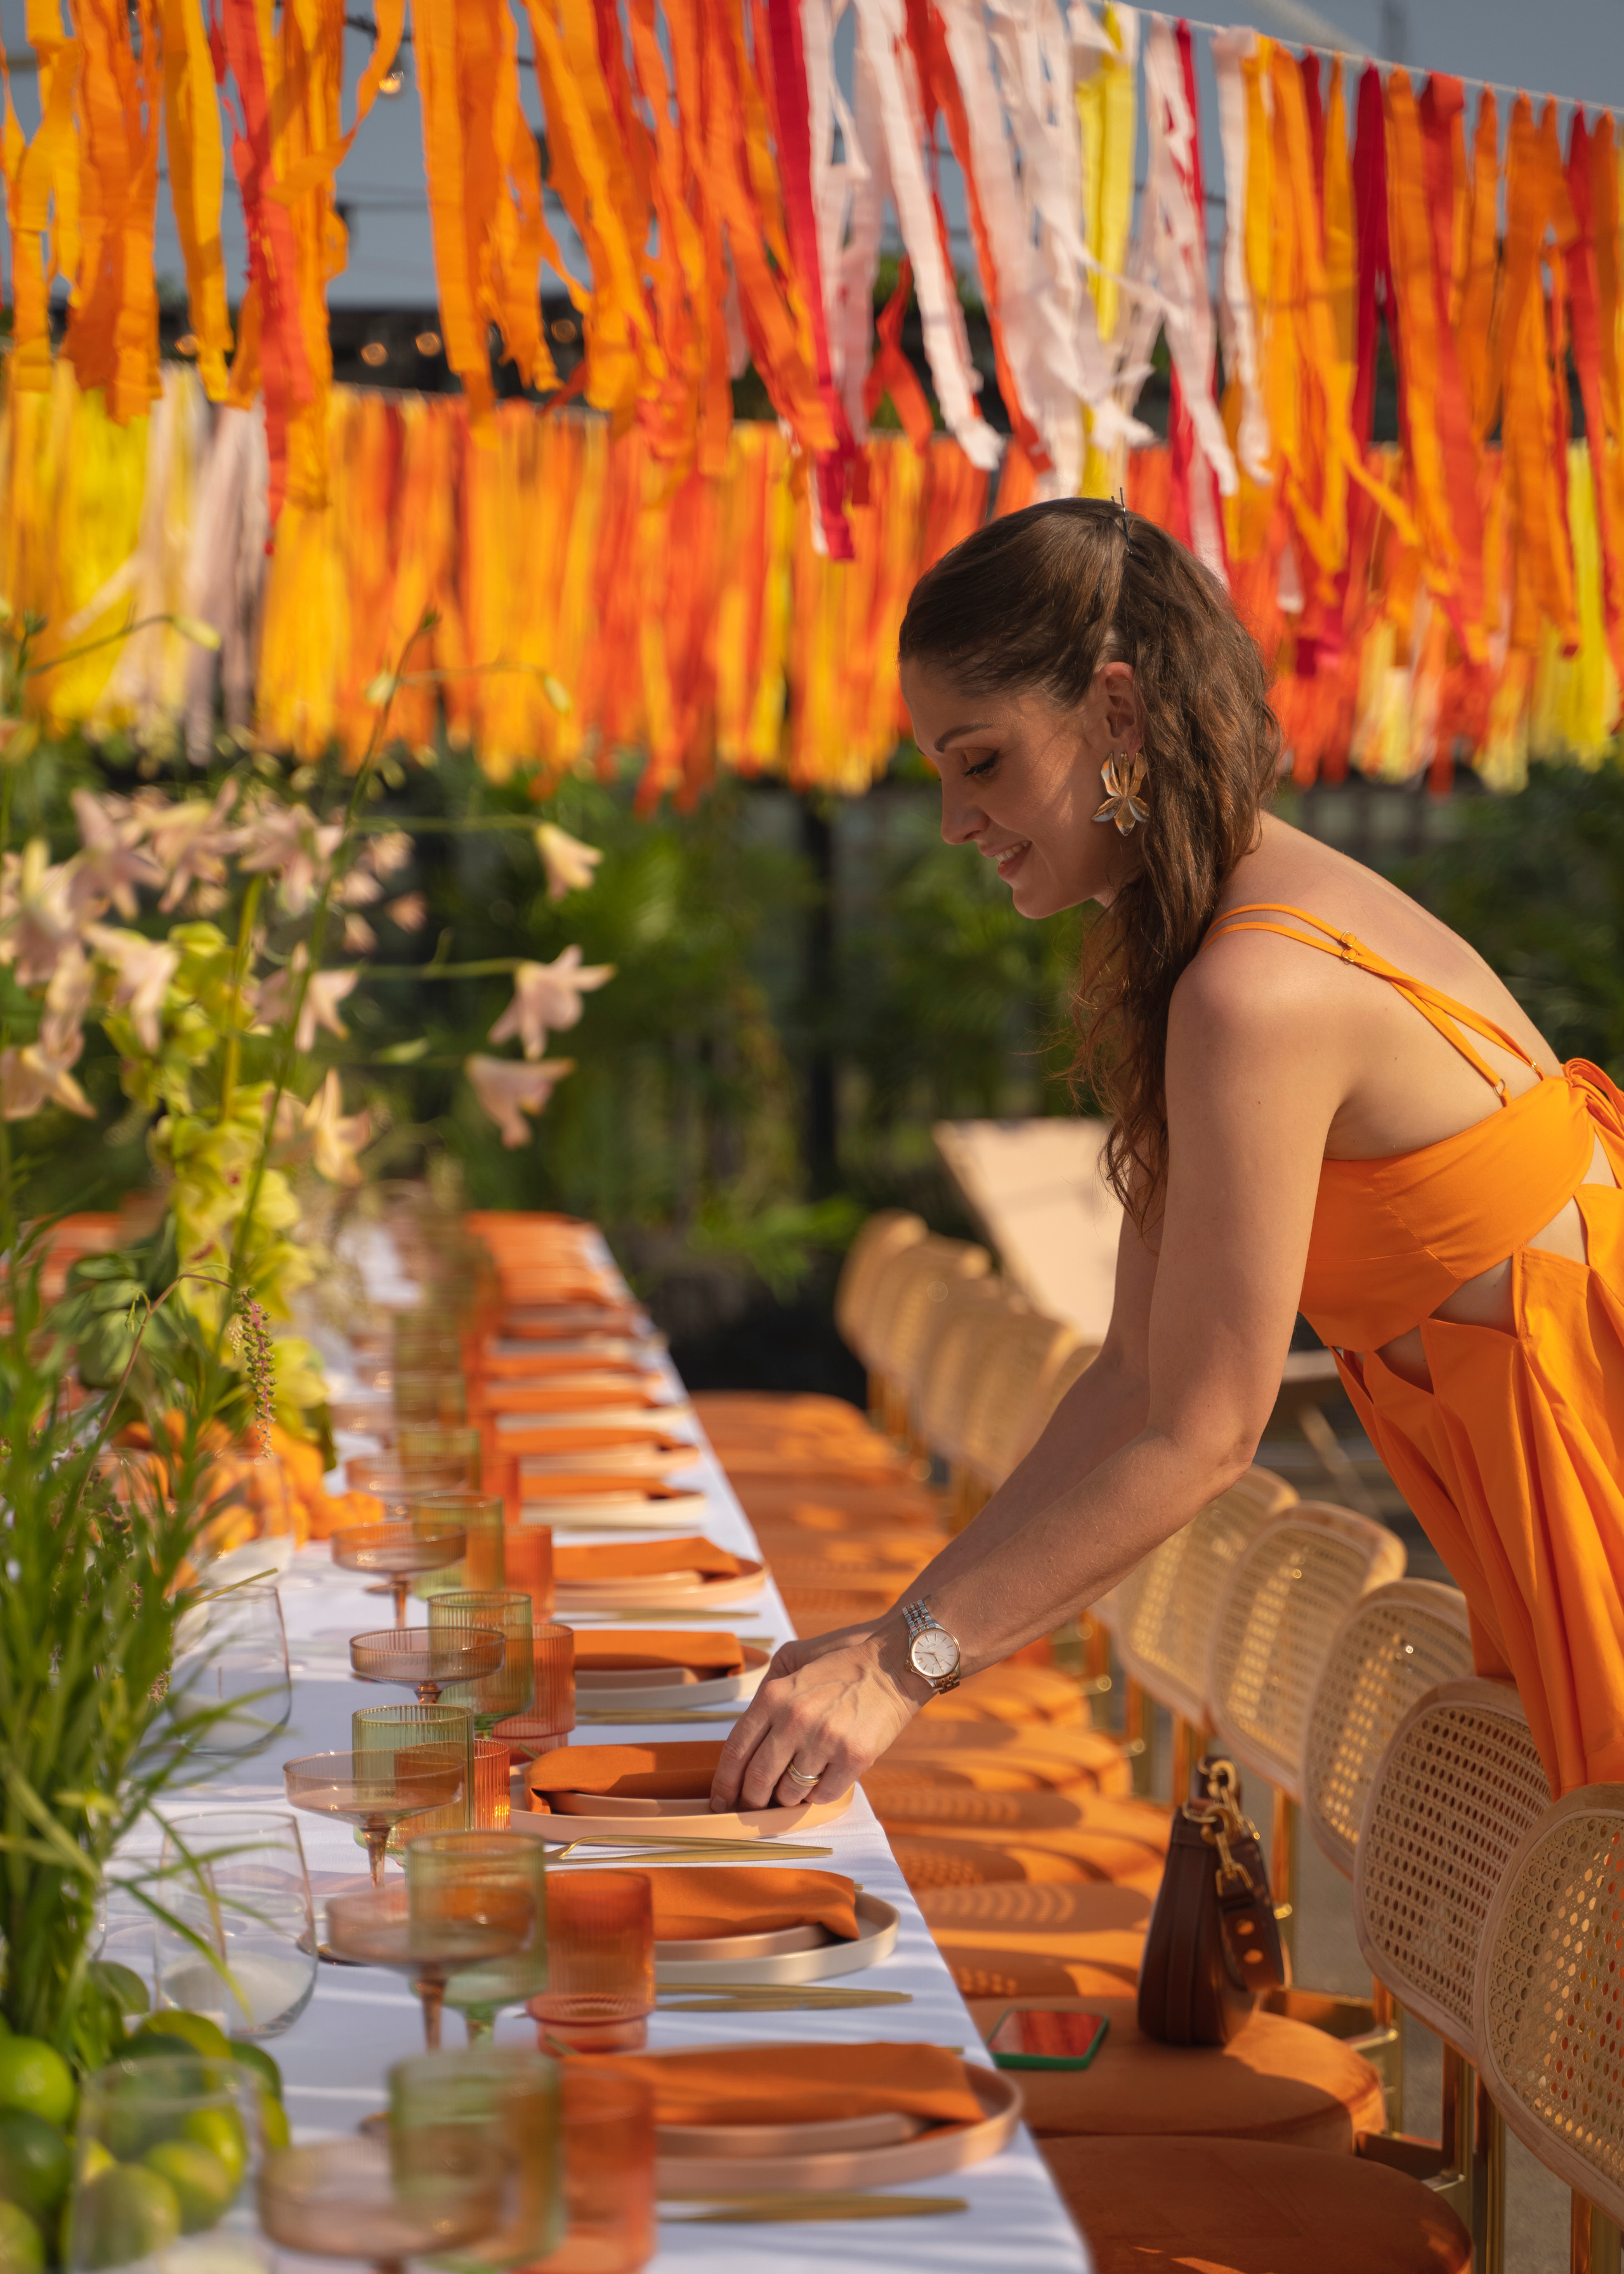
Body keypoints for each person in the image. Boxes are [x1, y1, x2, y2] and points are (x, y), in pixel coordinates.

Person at [710, 495, 1624, 1817]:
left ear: (1118, 717)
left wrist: (901, 1666)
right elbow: (1130, 1377)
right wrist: (894, 1637)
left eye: (981, 760)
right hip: (1532, 1484)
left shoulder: (1250, 993)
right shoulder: (1191, 949)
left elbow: (1201, 1434)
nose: (957, 817)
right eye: (941, 771)